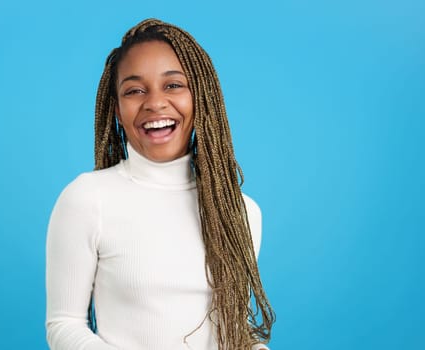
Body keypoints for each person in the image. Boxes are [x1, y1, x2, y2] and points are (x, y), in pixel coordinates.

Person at [46, 18, 274, 350]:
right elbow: (63, 325)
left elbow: (232, 329)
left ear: (202, 98)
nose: (154, 103)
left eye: (173, 85)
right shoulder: (87, 199)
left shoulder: (240, 212)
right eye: (134, 90)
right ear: (117, 110)